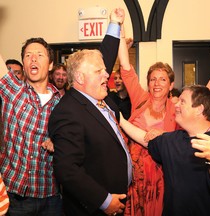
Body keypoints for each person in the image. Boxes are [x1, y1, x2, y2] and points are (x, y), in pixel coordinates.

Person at [0, 8, 124, 216]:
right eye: (28, 55)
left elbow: (98, 68)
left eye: (39, 55)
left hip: (52, 200)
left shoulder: (65, 103)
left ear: (49, 65)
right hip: (14, 199)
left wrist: (115, 24)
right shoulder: (12, 90)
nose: (33, 59)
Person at [118, 24, 210, 215]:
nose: (157, 83)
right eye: (153, 79)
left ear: (171, 85)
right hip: (135, 176)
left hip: (164, 177)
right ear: (148, 83)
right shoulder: (139, 98)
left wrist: (162, 135)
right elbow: (126, 69)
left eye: (162, 79)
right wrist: (120, 33)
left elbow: (197, 107)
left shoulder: (176, 108)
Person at [48, 8, 131, 216]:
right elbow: (67, 169)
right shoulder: (67, 112)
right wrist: (103, 201)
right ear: (80, 78)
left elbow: (106, 58)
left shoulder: (100, 98)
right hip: (95, 209)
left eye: (105, 70)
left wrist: (115, 23)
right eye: (99, 71)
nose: (107, 75)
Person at [120, 85, 210, 216]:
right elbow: (145, 139)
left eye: (182, 102)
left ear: (199, 109)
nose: (176, 105)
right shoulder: (173, 139)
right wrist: (120, 119)